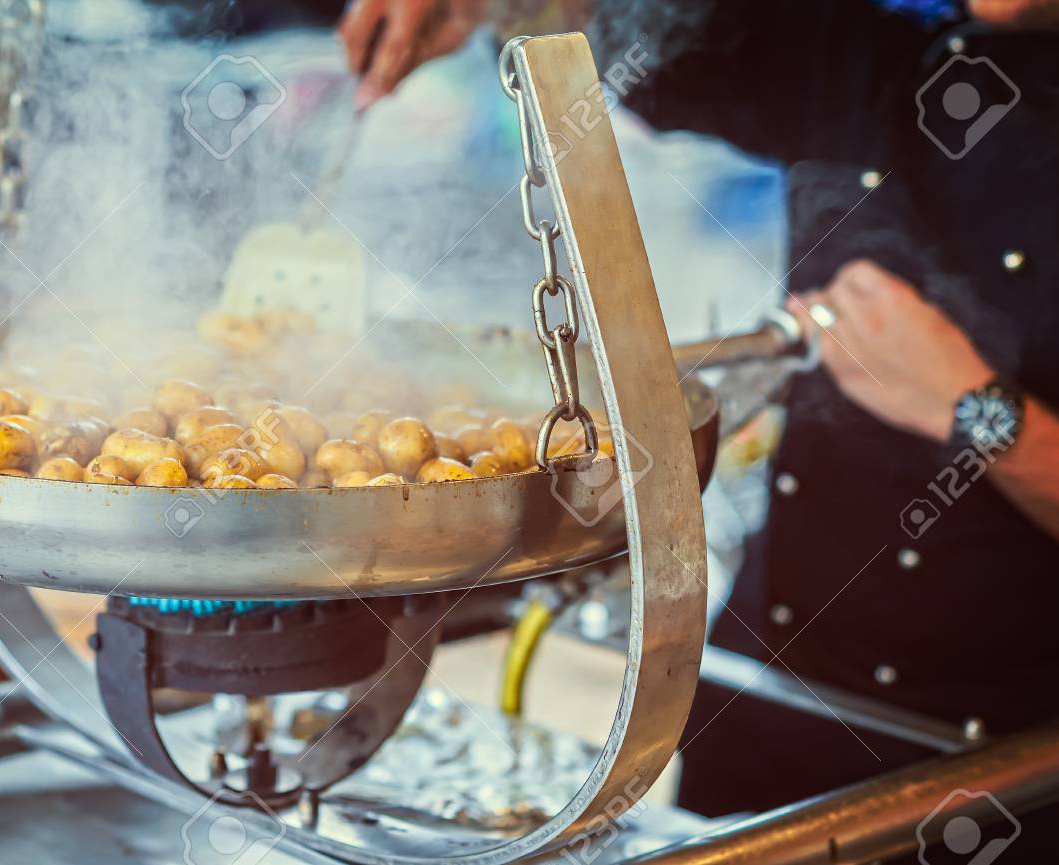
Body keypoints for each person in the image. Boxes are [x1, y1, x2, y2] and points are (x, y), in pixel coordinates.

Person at [339, 0, 1059, 859]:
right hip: (767, 703)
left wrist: (972, 408)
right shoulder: (880, 56)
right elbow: (659, 32)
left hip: (998, 767)